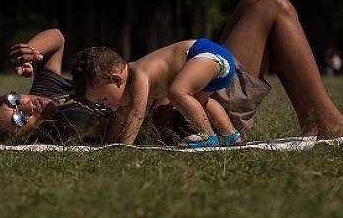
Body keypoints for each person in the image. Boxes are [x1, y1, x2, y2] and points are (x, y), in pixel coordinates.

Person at [0, 0, 343, 148]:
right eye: (20, 119)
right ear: (24, 135)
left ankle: (321, 120)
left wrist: (34, 51)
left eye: (15, 101)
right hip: (194, 113)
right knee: (270, 8)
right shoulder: (61, 129)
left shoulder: (51, 91)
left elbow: (57, 34)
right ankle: (329, 125)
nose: (28, 106)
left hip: (189, 87)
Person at [70, 39, 243, 148]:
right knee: (198, 103)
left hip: (205, 53)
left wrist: (125, 148)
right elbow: (122, 116)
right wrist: (109, 143)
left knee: (177, 93)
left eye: (105, 99)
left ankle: (208, 136)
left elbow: (137, 114)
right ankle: (230, 135)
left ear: (116, 80)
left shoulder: (138, 73)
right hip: (215, 62)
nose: (107, 105)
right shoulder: (127, 87)